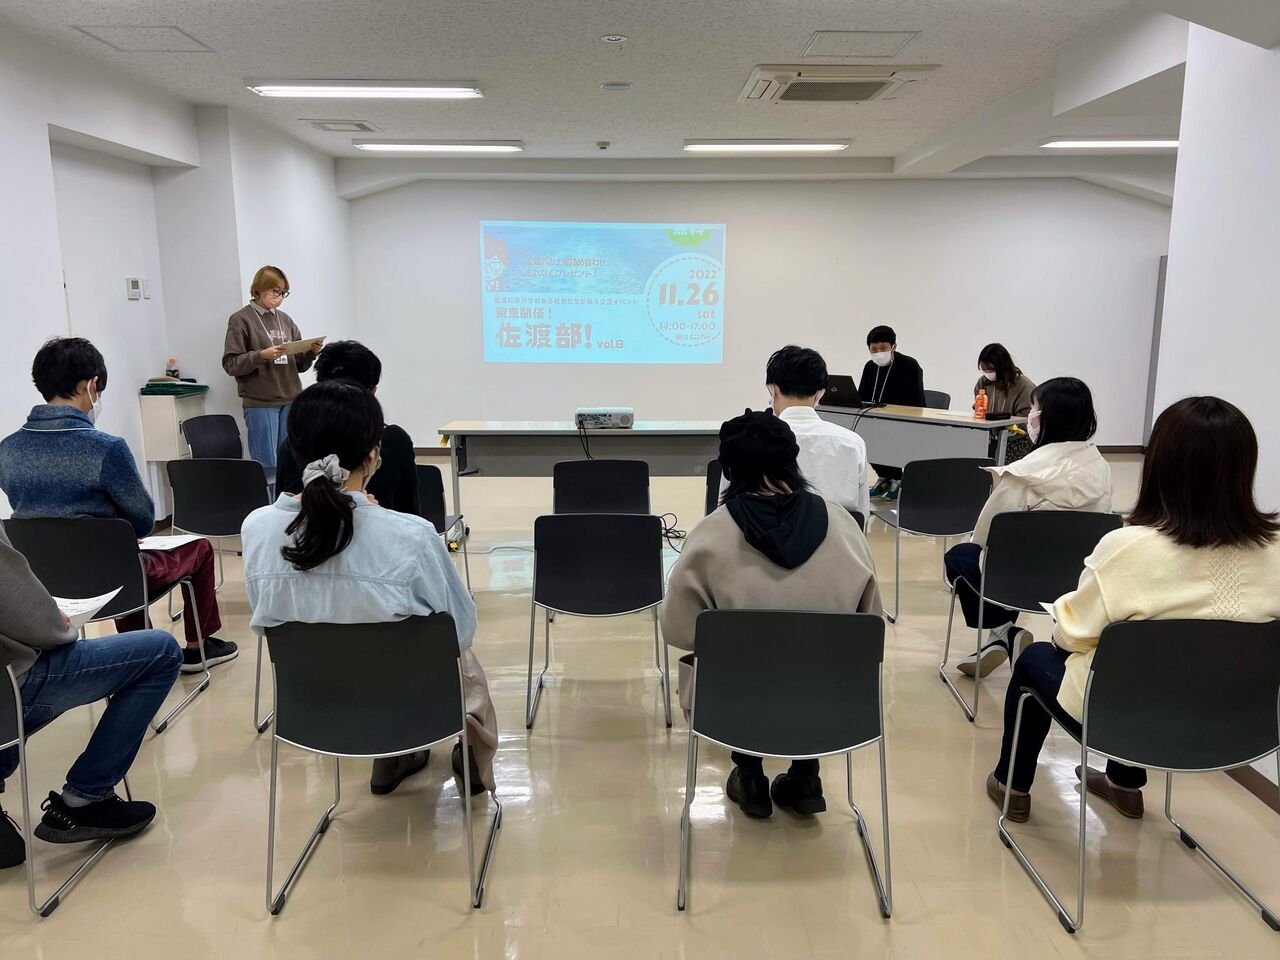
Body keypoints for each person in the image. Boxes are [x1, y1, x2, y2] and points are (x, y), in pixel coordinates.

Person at [987, 396, 1280, 824]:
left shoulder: (1129, 548)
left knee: (1038, 660)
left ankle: (1011, 786)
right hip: (1239, 726)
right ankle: (1124, 785)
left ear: (1161, 465)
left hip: (1129, 719)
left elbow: (1070, 637)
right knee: (1153, 662)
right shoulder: (1275, 553)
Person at [241, 380, 497, 797]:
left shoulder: (256, 529)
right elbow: (462, 630)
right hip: (409, 704)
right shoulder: (412, 536)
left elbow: (265, 616)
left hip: (314, 710)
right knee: (460, 655)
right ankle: (465, 758)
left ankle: (393, 759)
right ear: (374, 454)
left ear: (295, 451)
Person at [661, 409, 881, 819]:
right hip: (834, 705)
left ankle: (749, 776)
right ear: (793, 460)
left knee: (729, 659)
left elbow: (678, 629)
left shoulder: (711, 533)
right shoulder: (843, 526)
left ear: (729, 470)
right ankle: (806, 776)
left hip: (731, 709)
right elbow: (872, 622)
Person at [0, 338, 237, 673]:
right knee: (196, 548)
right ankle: (199, 647)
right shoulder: (106, 448)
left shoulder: (7, 449)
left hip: (44, 581)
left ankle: (141, 653)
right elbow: (142, 521)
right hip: (115, 576)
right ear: (92, 384)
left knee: (115, 554)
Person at [0, 523, 181, 869]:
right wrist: (59, 625)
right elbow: (140, 518)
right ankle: (86, 798)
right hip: (9, 688)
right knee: (162, 652)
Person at [945, 378, 1112, 678]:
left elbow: (985, 536)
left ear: (1049, 418)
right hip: (1076, 578)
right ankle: (1001, 636)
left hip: (1016, 580)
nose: (1029, 417)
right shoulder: (1101, 468)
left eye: (1033, 409)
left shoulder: (1022, 475)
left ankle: (1002, 631)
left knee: (960, 556)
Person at [275, 340, 419, 514]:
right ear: (372, 391)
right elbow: (410, 513)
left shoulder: (293, 442)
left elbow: (283, 510)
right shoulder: (393, 440)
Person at [221, 265, 324, 473]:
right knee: (267, 465)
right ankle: (268, 496)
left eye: (283, 293)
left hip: (291, 399)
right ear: (259, 289)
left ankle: (288, 495)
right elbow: (231, 364)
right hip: (261, 402)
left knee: (290, 462)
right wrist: (261, 355)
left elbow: (300, 366)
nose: (279, 297)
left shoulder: (285, 319)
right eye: (275, 291)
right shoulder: (241, 319)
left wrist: (311, 352)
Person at [857, 325, 925, 501]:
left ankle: (897, 479)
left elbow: (917, 402)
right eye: (874, 349)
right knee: (861, 436)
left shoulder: (909, 366)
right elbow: (861, 396)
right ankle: (886, 476)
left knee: (887, 436)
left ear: (893, 346)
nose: (878, 353)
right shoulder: (870, 367)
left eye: (883, 348)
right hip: (876, 420)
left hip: (903, 420)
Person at [976, 343, 1036, 463]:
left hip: (1016, 440)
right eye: (983, 369)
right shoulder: (983, 382)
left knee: (997, 462)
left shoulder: (1023, 386)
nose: (987, 372)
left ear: (1002, 367)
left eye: (990, 369)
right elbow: (978, 409)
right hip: (989, 437)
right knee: (974, 455)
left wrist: (1005, 430)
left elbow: (1028, 420)